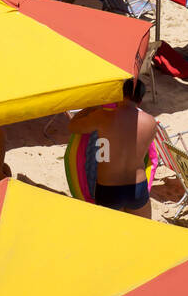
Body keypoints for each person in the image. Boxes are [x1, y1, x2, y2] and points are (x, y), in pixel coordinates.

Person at [67, 79, 157, 217]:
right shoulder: (150, 121)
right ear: (140, 100)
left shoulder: (103, 117)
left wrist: (92, 106)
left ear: (119, 95)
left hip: (109, 188)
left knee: (111, 235)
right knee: (141, 233)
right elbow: (144, 152)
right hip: (137, 186)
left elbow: (73, 126)